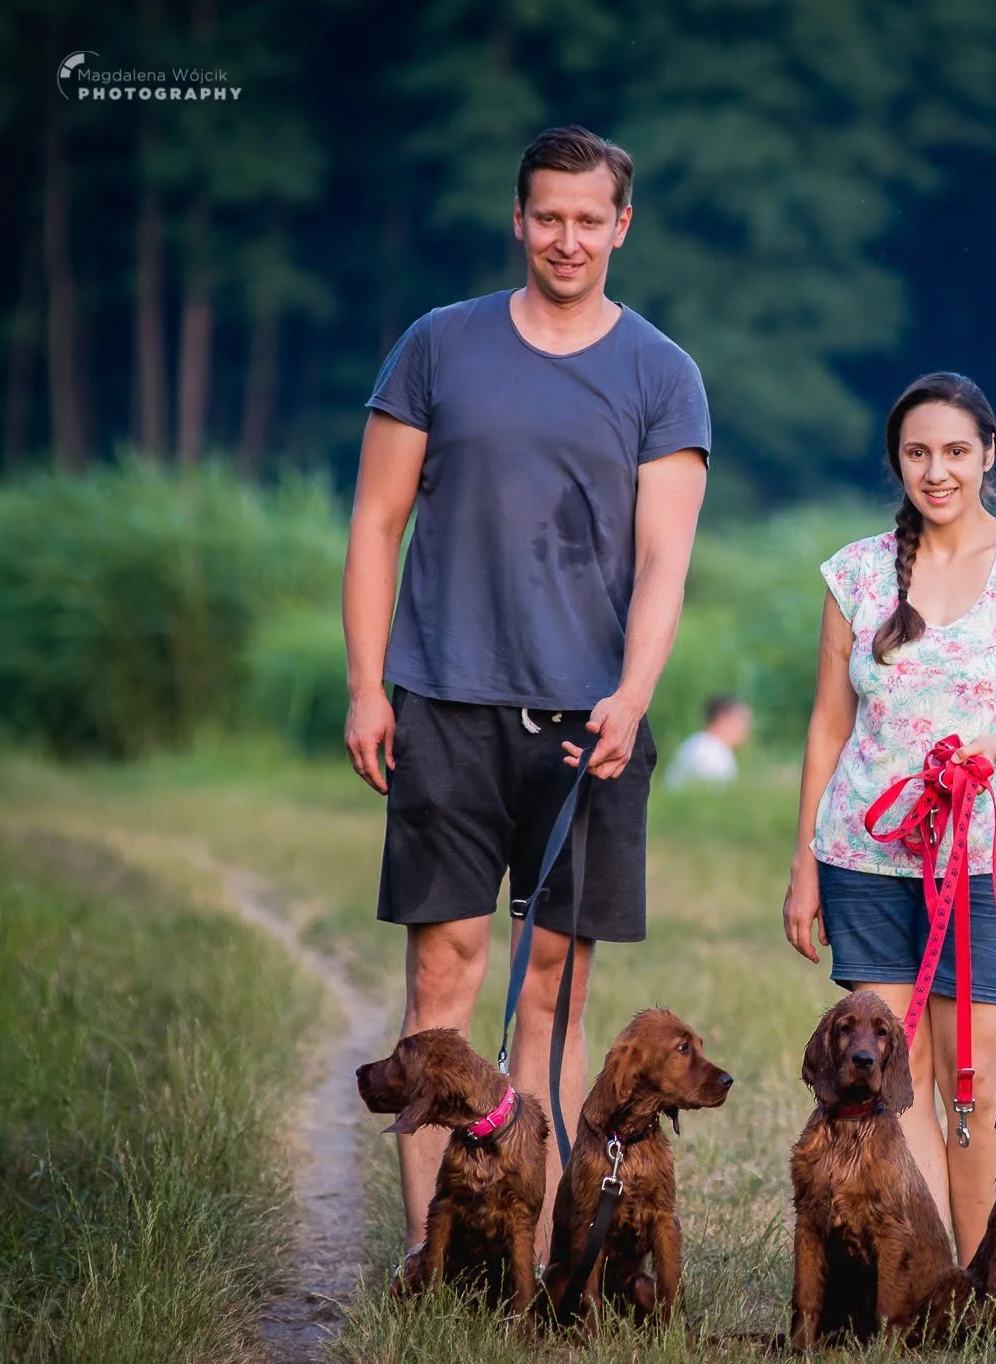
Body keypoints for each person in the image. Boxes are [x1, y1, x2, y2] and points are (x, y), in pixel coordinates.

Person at [342, 125, 710, 1271]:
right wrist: (368, 683)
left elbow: (664, 563)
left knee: (550, 983)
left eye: (588, 219)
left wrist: (632, 694)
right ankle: (431, 1245)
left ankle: (542, 1256)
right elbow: (375, 524)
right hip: (443, 702)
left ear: (621, 227)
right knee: (444, 971)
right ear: (518, 218)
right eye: (547, 215)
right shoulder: (436, 347)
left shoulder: (661, 373)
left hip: (587, 726)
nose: (566, 237)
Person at [782, 371, 996, 1263]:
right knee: (892, 1075)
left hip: (984, 856)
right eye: (918, 452)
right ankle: (921, 1281)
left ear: (988, 454)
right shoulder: (854, 572)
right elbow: (825, 725)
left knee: (978, 1075)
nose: (937, 471)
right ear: (898, 460)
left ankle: (986, 1273)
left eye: (956, 451)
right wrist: (805, 861)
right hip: (863, 854)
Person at [664, 694, 751, 789]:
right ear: (722, 719)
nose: (745, 729)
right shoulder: (708, 753)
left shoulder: (706, 746)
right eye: (741, 721)